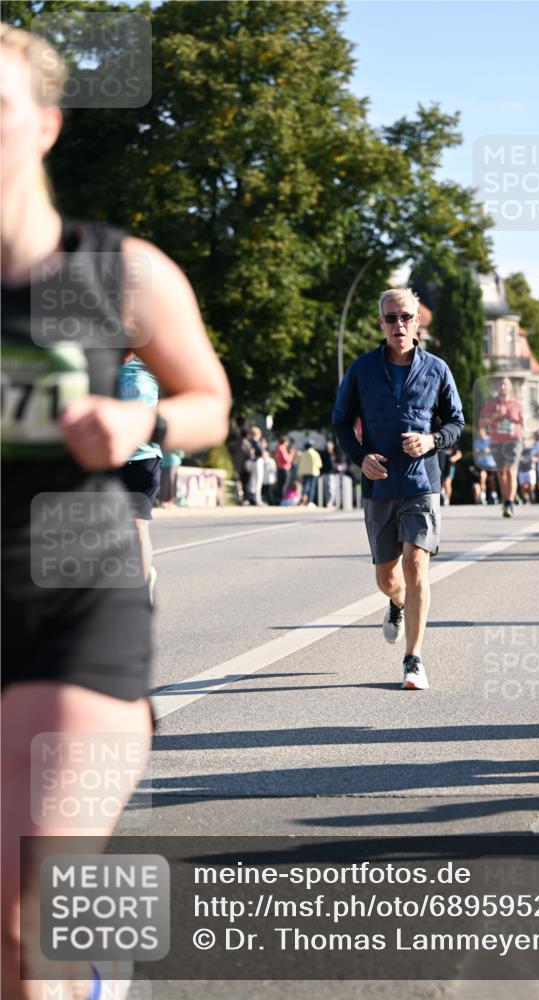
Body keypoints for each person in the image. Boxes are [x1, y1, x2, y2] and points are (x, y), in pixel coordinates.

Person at [0, 25, 231, 1000]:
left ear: (45, 126)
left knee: (24, 917)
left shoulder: (116, 271)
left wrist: (139, 414)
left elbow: (208, 401)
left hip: (76, 607)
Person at [332, 287, 464, 690]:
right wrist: (361, 458)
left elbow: (456, 422)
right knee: (387, 578)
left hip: (422, 482)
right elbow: (341, 421)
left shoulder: (437, 369)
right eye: (390, 318)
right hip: (379, 485)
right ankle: (396, 603)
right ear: (381, 323)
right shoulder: (362, 369)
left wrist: (432, 441)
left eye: (405, 316)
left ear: (417, 321)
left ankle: (414, 659)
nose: (398, 324)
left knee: (417, 564)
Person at [116, 351, 162, 603]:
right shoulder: (98, 364)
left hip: (145, 458)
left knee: (137, 525)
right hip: (110, 459)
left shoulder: (151, 365)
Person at [479, 376, 523, 517]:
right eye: (500, 385)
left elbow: (522, 421)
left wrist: (513, 418)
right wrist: (496, 416)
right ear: (497, 388)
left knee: (511, 471)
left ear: (510, 387)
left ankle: (509, 502)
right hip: (497, 441)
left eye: (505, 384)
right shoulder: (491, 403)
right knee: (501, 473)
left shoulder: (516, 403)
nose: (502, 387)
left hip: (513, 440)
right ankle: (507, 499)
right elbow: (481, 423)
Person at [297, 439, 323, 505]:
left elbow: (299, 463)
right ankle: (310, 502)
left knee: (305, 487)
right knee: (311, 487)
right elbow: (319, 464)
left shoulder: (303, 453)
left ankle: (302, 501)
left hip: (304, 472)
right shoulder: (315, 453)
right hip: (313, 472)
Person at [274, 435, 294, 500]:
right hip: (284, 469)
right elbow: (287, 459)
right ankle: (282, 499)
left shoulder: (277, 448)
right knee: (284, 486)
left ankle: (280, 499)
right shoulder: (282, 448)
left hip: (280, 469)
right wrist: (291, 454)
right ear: (285, 441)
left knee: (281, 485)